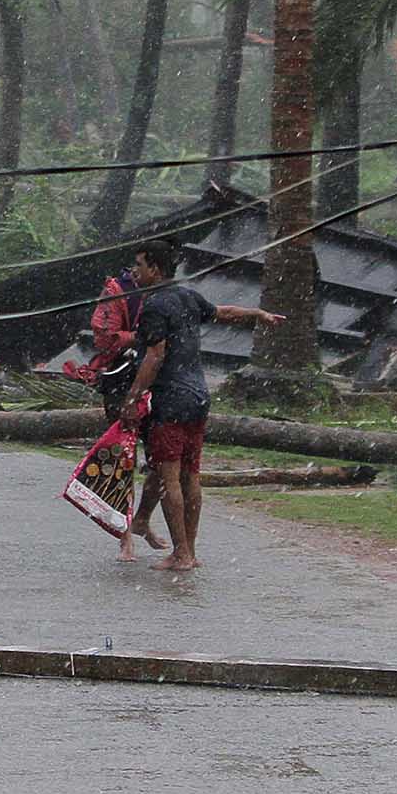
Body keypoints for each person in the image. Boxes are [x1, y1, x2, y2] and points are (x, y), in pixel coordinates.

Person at [107, 242, 281, 568]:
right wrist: (257, 313)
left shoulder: (154, 306)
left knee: (170, 478)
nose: (134, 271)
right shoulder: (187, 296)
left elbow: (155, 356)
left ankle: (181, 554)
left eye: (140, 265)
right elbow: (224, 312)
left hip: (171, 400)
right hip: (199, 397)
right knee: (190, 477)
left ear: (155, 270)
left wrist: (132, 399)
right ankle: (190, 551)